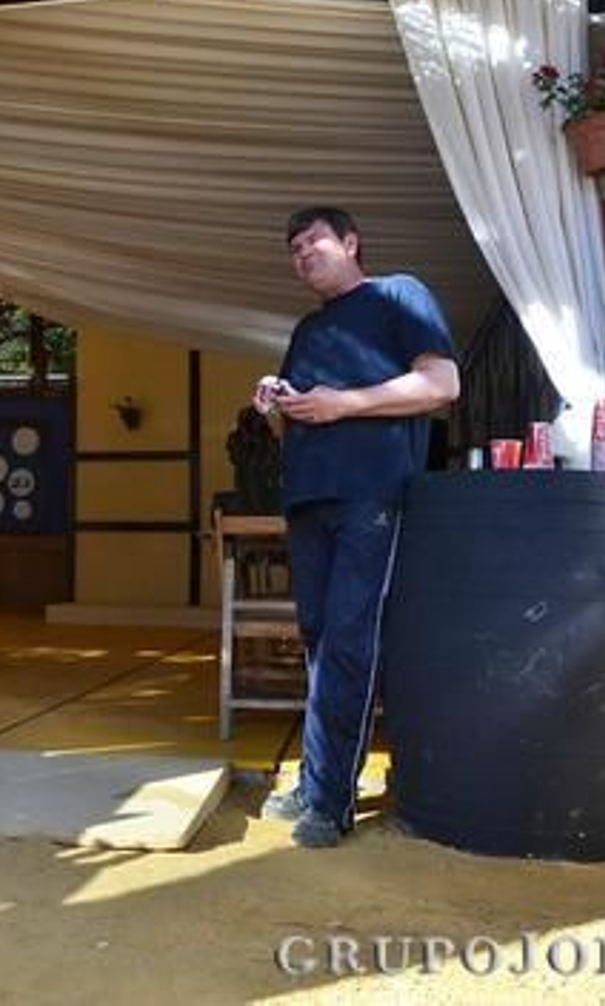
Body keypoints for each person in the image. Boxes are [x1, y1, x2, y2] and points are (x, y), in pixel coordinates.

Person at [252, 207, 459, 848]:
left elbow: (441, 384)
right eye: (293, 249)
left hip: (372, 492)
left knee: (349, 635)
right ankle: (318, 780)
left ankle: (332, 802)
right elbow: (305, 411)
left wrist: (347, 403)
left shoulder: (399, 293)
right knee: (318, 639)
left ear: (350, 242)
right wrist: (276, 401)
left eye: (313, 240)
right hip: (308, 495)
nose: (302, 254)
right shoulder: (308, 328)